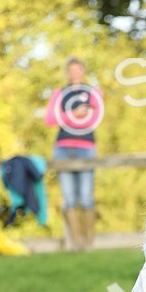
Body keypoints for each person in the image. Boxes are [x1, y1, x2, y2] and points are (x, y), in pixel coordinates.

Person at [45, 58, 103, 251]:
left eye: (78, 69)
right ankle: (76, 244)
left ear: (83, 71)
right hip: (62, 147)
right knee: (68, 198)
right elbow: (50, 119)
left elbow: (96, 116)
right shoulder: (60, 93)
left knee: (86, 197)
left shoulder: (93, 93)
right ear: (67, 72)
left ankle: (88, 244)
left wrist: (82, 114)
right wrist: (73, 115)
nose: (74, 73)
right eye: (71, 70)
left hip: (86, 146)